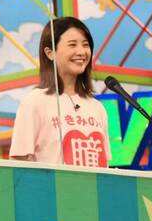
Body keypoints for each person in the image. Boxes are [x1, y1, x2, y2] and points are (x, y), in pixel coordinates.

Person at [9, 17, 110, 167]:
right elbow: (18, 164)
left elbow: (104, 165)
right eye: (72, 45)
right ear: (50, 53)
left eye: (85, 45)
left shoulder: (97, 108)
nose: (81, 52)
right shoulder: (35, 102)